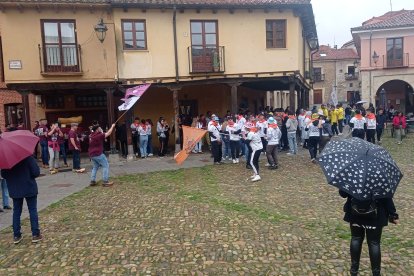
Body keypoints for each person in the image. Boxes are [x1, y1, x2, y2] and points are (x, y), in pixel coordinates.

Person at [339, 190, 399, 276]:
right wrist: (393, 214)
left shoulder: (353, 176)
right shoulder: (379, 177)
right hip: (376, 215)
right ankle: (376, 273)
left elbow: (343, 194)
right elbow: (386, 197)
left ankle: (354, 271)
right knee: (374, 243)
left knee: (356, 238)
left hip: (355, 212)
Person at [1, 156, 42, 244]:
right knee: (32, 210)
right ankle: (35, 234)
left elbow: (4, 175)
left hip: (15, 189)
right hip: (29, 186)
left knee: (16, 212)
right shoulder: (28, 157)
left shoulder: (7, 160)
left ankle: (16, 235)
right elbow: (36, 172)